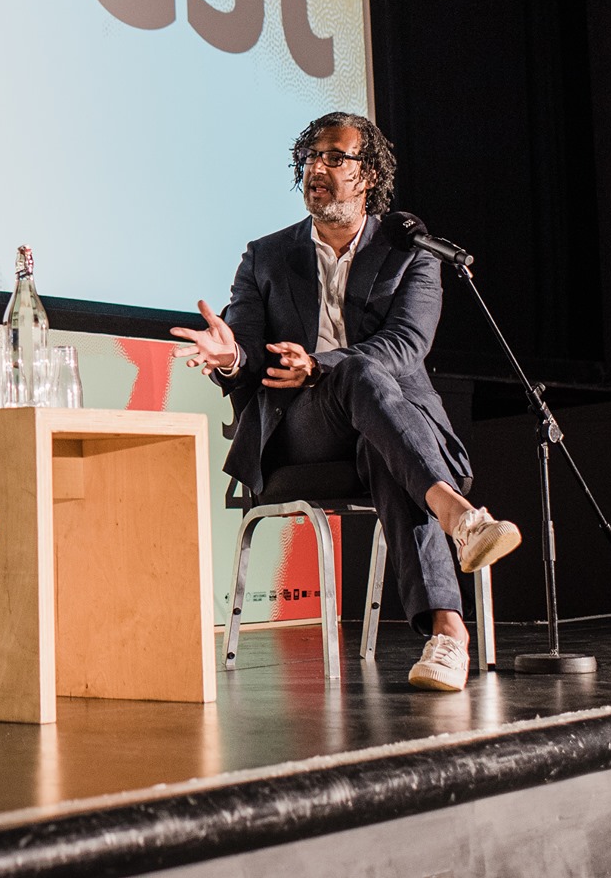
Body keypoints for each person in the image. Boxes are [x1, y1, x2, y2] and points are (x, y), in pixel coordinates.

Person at [169, 112, 519, 692]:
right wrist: (231, 357)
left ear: (369, 175)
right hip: (300, 428)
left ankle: (448, 636)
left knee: (384, 444)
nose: (317, 168)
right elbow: (250, 356)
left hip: (385, 427)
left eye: (335, 157)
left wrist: (324, 362)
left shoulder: (411, 249)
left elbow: (407, 345)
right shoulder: (265, 256)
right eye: (309, 157)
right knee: (357, 372)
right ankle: (458, 515)